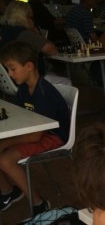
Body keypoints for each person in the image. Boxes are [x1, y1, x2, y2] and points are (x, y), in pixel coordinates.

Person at [0, 41, 70, 214]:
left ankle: (39, 203)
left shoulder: (45, 93)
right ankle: (9, 192)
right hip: (36, 133)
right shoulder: (24, 89)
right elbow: (21, 116)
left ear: (29, 66)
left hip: (53, 136)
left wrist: (5, 143)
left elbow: (36, 136)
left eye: (12, 68)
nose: (9, 74)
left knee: (4, 159)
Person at [1, 1, 70, 86]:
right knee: (66, 82)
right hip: (25, 80)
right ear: (24, 17)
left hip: (6, 80)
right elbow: (52, 50)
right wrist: (34, 31)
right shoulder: (24, 34)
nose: (33, 21)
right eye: (31, 17)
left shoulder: (4, 30)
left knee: (53, 75)